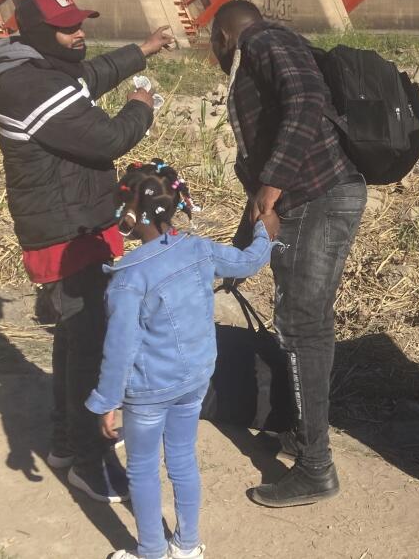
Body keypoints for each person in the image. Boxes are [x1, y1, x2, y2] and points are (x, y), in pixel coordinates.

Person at [0, 0, 176, 502]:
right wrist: (142, 104)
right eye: (68, 27)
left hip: (79, 222)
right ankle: (90, 460)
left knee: (74, 335)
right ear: (40, 35)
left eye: (80, 22)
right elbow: (110, 140)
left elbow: (92, 75)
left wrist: (145, 48)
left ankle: (66, 441)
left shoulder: (46, 72)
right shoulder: (31, 88)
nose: (79, 32)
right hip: (65, 234)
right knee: (89, 347)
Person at [208, 0, 368, 508]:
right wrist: (242, 242)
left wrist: (273, 189)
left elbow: (306, 100)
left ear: (223, 35)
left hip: (316, 199)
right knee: (305, 323)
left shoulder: (261, 40)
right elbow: (263, 171)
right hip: (311, 199)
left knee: (302, 326)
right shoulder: (266, 51)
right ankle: (303, 435)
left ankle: (315, 468)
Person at [88, 160, 279, 559]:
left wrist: (107, 401)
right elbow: (248, 262)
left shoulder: (127, 277)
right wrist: (265, 231)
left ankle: (151, 552)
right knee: (182, 459)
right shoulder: (198, 249)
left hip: (147, 390)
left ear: (129, 216)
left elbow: (119, 349)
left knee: (141, 469)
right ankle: (188, 545)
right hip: (194, 379)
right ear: (176, 204)